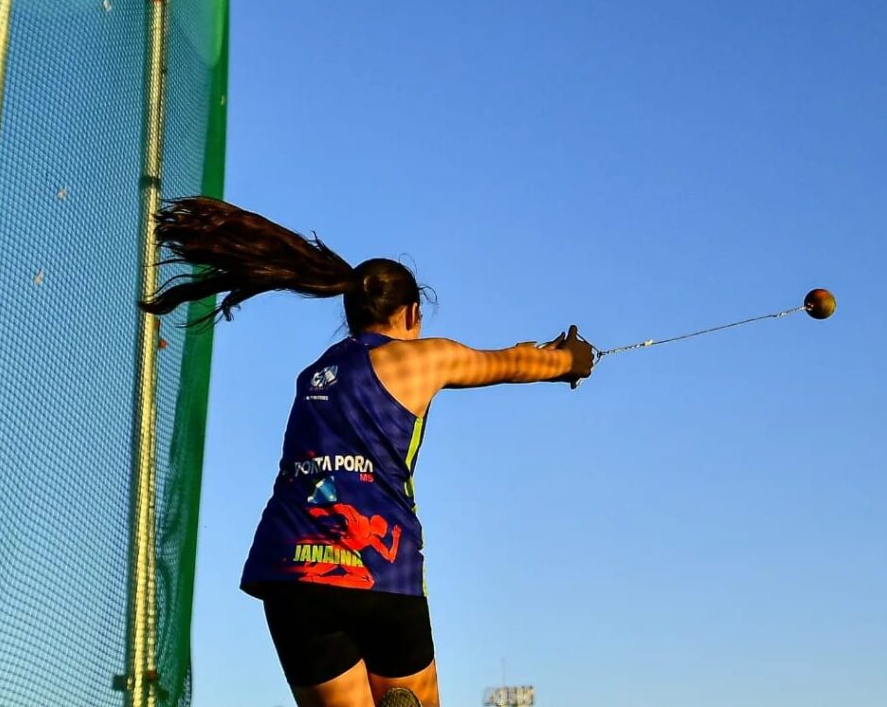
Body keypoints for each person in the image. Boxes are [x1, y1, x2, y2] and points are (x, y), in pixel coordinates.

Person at [142, 197, 596, 707]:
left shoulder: (313, 373)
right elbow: (508, 364)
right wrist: (571, 360)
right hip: (379, 570)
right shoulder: (421, 358)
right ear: (411, 312)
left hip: (291, 571)